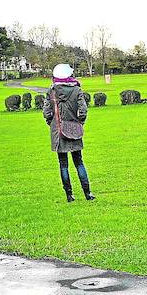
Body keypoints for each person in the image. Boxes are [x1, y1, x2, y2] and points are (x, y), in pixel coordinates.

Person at [43, 63, 95, 202]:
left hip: (58, 131)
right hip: (74, 128)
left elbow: (47, 112)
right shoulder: (77, 90)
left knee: (63, 164)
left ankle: (69, 195)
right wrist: (79, 123)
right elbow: (83, 111)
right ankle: (88, 193)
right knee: (79, 162)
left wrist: (52, 124)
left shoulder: (51, 90)